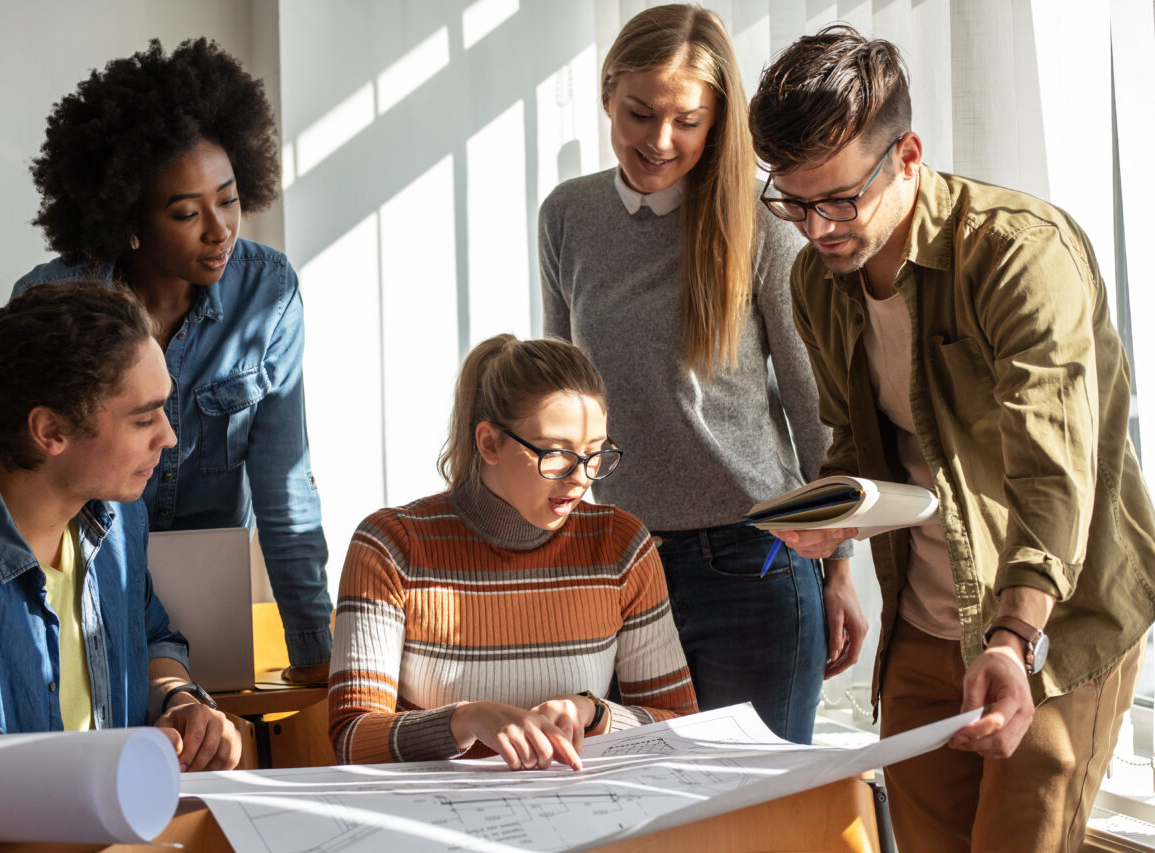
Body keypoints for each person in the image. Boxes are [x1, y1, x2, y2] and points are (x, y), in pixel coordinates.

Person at [748, 25, 1155, 851]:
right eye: (792, 201)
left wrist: (1012, 637)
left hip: (1051, 628)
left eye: (838, 199)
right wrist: (830, 527)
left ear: (906, 155)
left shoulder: (1017, 256)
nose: (817, 228)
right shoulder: (814, 282)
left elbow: (1054, 476)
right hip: (922, 627)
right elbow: (854, 447)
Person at [538, 3, 865, 744]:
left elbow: (815, 404)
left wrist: (841, 565)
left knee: (754, 812)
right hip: (618, 562)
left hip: (757, 560)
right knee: (634, 805)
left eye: (687, 120)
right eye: (639, 113)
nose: (659, 140)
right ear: (606, 96)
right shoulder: (567, 216)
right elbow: (559, 405)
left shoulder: (762, 215)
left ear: (718, 120)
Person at [12, 38, 331, 684]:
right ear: (130, 216)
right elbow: (24, 487)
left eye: (230, 197)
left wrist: (319, 656)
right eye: (186, 212)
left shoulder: (267, 294)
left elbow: (285, 485)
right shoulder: (53, 302)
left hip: (215, 602)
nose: (220, 230)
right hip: (85, 586)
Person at [0, 283, 240, 771]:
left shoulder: (118, 518)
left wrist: (182, 701)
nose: (169, 436)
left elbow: (152, 636)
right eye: (143, 418)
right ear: (50, 431)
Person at [328, 334, 698, 770]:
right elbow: (352, 737)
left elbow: (679, 726)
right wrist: (465, 720)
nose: (581, 478)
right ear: (489, 444)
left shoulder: (621, 545)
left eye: (595, 453)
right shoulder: (390, 546)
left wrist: (595, 713)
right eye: (558, 454)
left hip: (578, 817)